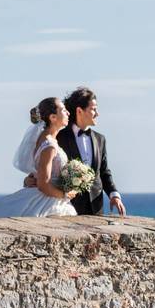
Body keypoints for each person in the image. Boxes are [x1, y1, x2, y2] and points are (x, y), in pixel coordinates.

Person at [0, 98, 78, 218]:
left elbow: (39, 171)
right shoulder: (50, 146)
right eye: (63, 110)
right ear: (52, 117)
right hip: (48, 200)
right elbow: (43, 184)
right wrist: (64, 195)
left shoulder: (43, 139)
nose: (68, 113)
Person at [25, 86, 126, 216]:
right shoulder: (57, 137)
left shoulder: (100, 139)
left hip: (96, 207)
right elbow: (43, 169)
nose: (97, 113)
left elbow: (104, 172)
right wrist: (28, 180)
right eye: (93, 109)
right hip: (64, 206)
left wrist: (114, 195)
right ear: (79, 111)